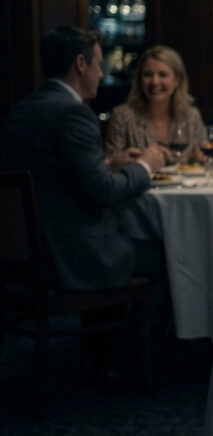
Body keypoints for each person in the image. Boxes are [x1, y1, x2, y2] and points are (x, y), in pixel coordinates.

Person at [1, 26, 168, 290]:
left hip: (24, 260)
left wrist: (109, 164)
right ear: (81, 63)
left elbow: (53, 175)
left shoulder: (21, 110)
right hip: (75, 259)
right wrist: (145, 165)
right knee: (172, 254)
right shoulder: (73, 113)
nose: (101, 73)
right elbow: (104, 191)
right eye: (98, 64)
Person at [104, 45, 205, 162]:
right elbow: (110, 164)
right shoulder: (123, 117)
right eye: (148, 74)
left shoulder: (191, 116)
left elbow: (205, 156)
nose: (155, 81)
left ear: (177, 80)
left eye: (162, 75)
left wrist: (198, 158)